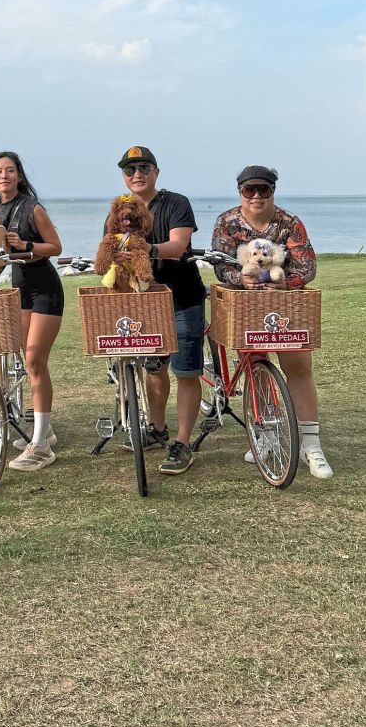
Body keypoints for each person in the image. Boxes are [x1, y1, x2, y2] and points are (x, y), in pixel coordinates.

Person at [210, 165, 333, 480]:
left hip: (286, 305)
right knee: (255, 366)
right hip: (246, 305)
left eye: (263, 190)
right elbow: (221, 266)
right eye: (249, 190)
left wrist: (287, 282)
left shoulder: (289, 223)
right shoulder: (227, 222)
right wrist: (243, 279)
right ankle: (265, 435)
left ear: (273, 191)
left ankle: (311, 445)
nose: (256, 196)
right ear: (240, 191)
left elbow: (307, 264)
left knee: (299, 367)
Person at [114, 145, 206, 476]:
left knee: (186, 371)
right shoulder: (119, 209)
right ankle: (157, 429)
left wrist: (144, 247)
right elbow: (111, 246)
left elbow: (178, 245)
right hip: (145, 302)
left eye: (143, 168)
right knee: (154, 368)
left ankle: (182, 442)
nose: (136, 174)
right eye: (129, 170)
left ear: (156, 172)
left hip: (183, 297)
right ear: (123, 177)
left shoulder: (176, 203)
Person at [0, 151, 64, 473]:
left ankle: (42, 447)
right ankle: (43, 429)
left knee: (34, 359)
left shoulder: (31, 208)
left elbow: (56, 247)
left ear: (19, 176)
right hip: (19, 291)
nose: (3, 176)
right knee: (26, 359)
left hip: (45, 288)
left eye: (9, 170)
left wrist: (26, 247)